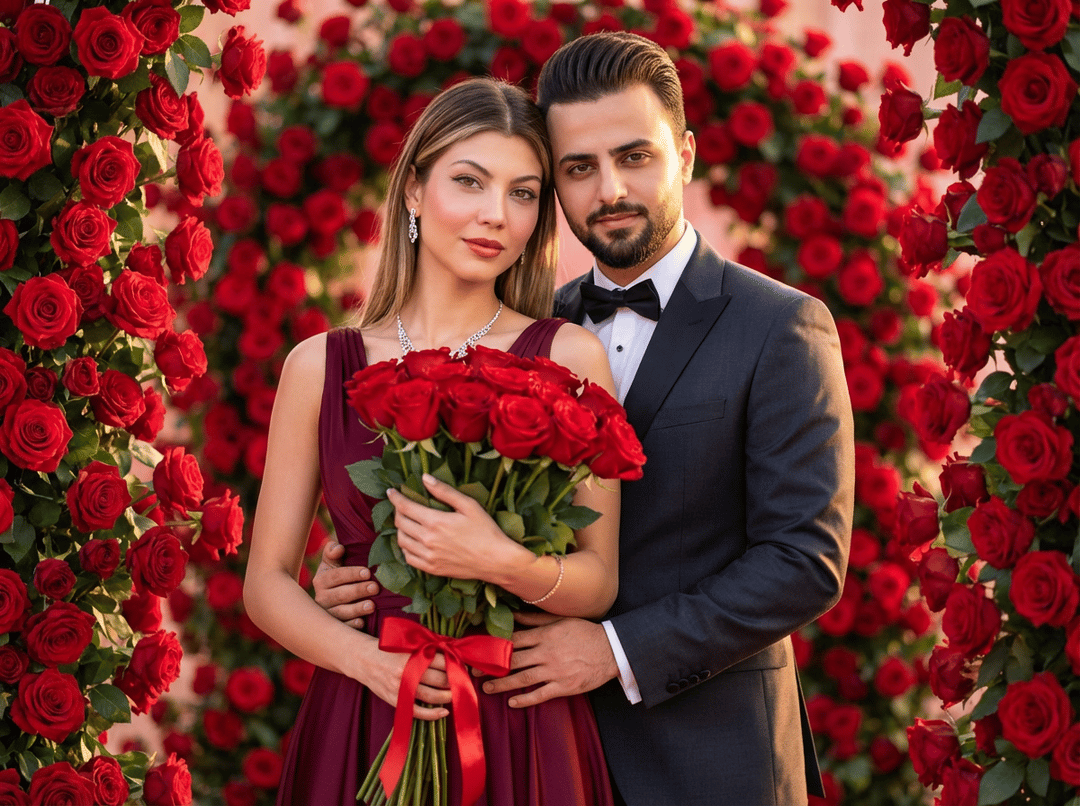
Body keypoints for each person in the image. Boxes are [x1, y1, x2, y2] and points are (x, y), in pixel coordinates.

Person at [315, 32, 855, 806]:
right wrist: (352, 578)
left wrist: (617, 650)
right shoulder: (527, 330)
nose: (609, 190)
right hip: (533, 749)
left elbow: (805, 561)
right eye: (579, 168)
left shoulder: (781, 325)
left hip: (710, 760)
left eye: (635, 157)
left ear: (687, 156)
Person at [243, 76, 621, 806]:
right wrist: (368, 662)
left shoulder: (571, 358)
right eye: (469, 182)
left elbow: (599, 580)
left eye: (522, 192)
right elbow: (265, 583)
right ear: (414, 189)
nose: (495, 216)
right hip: (364, 708)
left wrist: (501, 560)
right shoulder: (318, 365)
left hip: (519, 717)